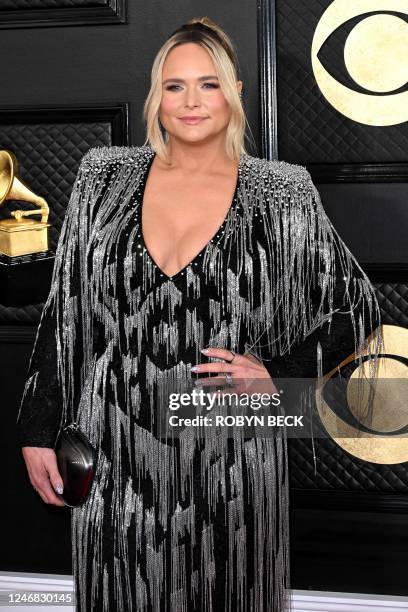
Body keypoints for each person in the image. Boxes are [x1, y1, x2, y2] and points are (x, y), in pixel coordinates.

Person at [16, 16, 381, 612]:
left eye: (208, 84)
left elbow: (353, 307)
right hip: (114, 442)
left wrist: (277, 368)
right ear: (155, 97)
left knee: (227, 592)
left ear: (236, 91)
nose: (190, 101)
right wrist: (37, 429)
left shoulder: (281, 191)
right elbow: (66, 311)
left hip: (229, 447)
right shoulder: (102, 177)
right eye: (174, 85)